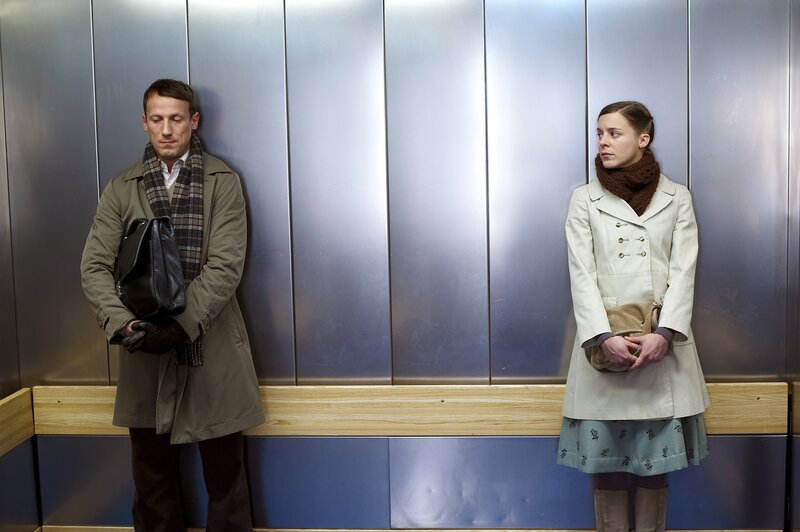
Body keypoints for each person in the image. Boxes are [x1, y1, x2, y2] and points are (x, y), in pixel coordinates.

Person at [80, 79, 264, 531]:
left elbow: (225, 267)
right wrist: (126, 326)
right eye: (157, 119)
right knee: (153, 485)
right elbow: (94, 266)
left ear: (193, 121)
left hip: (212, 350)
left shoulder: (222, 182)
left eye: (176, 119)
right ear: (144, 122)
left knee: (227, 486)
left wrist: (179, 326)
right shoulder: (121, 188)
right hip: (144, 349)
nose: (166, 129)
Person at [558, 101, 710, 532]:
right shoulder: (584, 199)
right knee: (605, 461)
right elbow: (580, 275)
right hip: (603, 348)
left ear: (643, 138)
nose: (603, 142)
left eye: (614, 133)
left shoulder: (677, 198)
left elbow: (684, 270)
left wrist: (666, 333)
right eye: (599, 133)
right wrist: (602, 336)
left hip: (661, 348)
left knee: (654, 463)